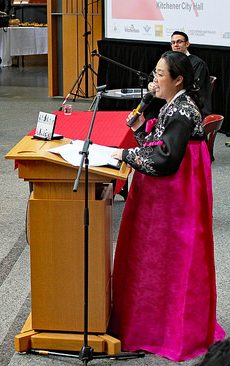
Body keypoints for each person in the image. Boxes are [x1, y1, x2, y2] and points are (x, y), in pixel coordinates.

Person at [109, 51, 225, 362]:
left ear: (178, 80)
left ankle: (162, 331)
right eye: (154, 73)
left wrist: (125, 155)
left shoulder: (182, 111)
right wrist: (139, 129)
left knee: (166, 264)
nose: (154, 79)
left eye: (160, 75)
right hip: (167, 200)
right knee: (158, 263)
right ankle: (151, 326)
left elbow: (165, 160)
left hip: (173, 204)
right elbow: (159, 145)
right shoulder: (173, 106)